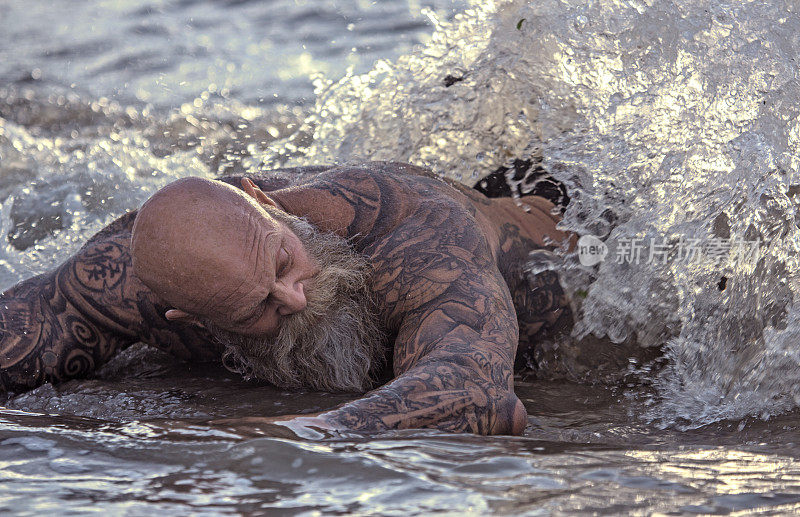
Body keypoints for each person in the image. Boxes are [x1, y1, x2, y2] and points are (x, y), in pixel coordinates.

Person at [0, 161, 572, 435]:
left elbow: (478, 397)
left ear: (266, 204)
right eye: (256, 309)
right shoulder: (125, 281)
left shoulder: (419, 236)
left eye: (282, 263)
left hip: (578, 238)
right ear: (184, 316)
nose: (294, 298)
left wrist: (290, 435)